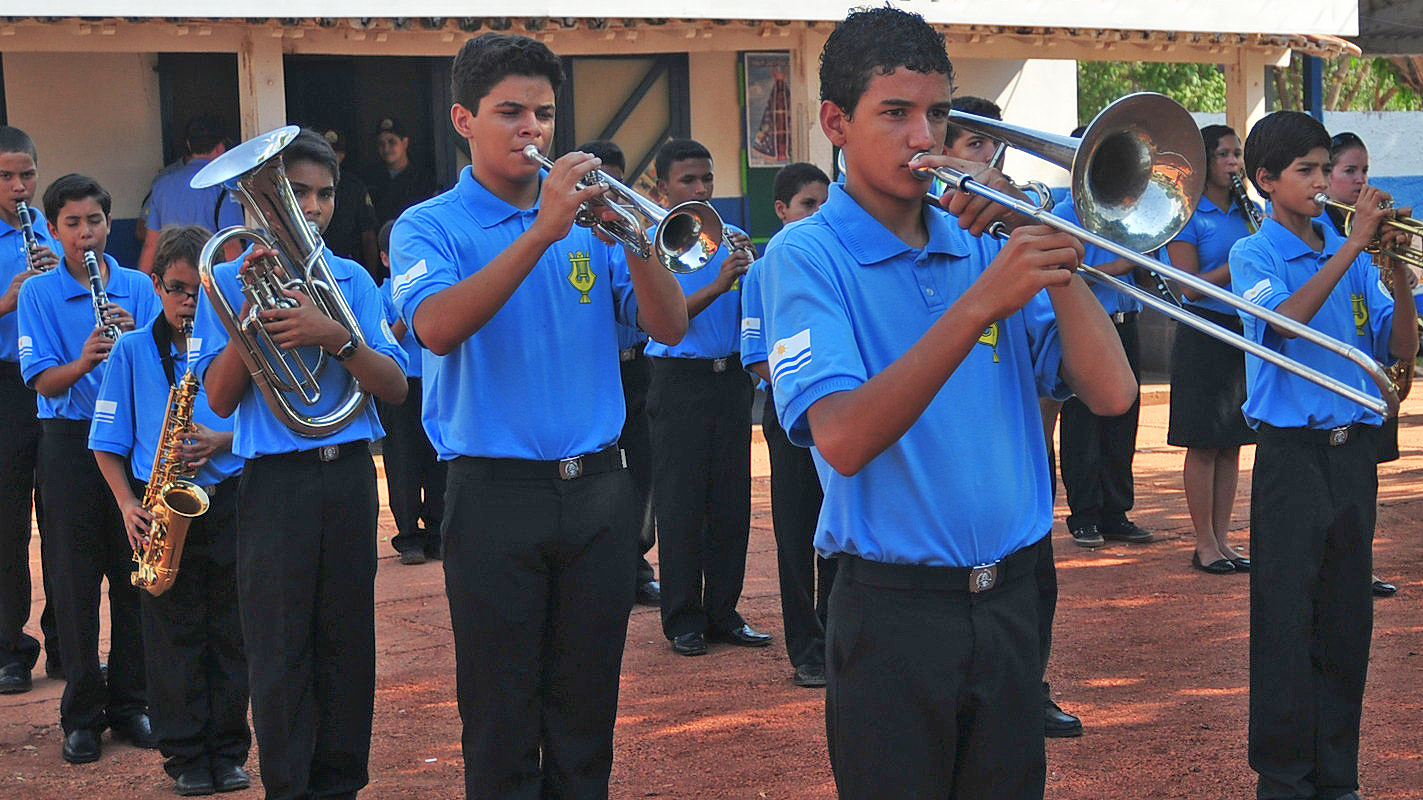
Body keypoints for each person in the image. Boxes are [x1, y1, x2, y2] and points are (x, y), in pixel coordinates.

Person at [759, 7, 1136, 797]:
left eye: (936, 114)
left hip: (1012, 600)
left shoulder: (984, 241)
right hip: (891, 609)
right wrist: (975, 307)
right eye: (894, 114)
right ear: (836, 122)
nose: (921, 137)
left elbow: (1112, 393)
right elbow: (844, 438)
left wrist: (1051, 257)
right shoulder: (805, 255)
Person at [390, 32, 687, 798]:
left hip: (598, 491)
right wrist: (542, 232)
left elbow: (669, 327)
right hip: (493, 494)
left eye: (544, 114)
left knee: (586, 713)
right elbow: (437, 329)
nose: (532, 131)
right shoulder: (427, 225)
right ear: (463, 119)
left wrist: (640, 238)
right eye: (510, 113)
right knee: (500, 715)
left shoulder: (589, 222)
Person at [193, 128, 408, 800]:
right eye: (295, 192)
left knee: (346, 643)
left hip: (345, 476)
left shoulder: (350, 279)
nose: (310, 206)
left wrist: (334, 336)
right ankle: (288, 786)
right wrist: (248, 320)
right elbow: (220, 400)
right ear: (263, 202)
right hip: (275, 485)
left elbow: (396, 386)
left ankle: (340, 784)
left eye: (321, 194)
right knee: (279, 649)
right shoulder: (227, 279)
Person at [1231, 110, 1415, 800]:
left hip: (1350, 457)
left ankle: (1337, 774)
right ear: (1265, 181)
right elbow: (1282, 326)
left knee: (1345, 621)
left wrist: (1393, 273)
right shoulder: (1257, 253)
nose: (1318, 183)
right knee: (1284, 619)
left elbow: (1397, 353)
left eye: (1320, 168)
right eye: (1303, 171)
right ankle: (1283, 778)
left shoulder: (1351, 251)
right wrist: (1353, 245)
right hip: (1290, 457)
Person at [89, 224, 252, 796]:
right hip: (161, 507)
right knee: (171, 636)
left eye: (200, 292)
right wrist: (129, 504)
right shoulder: (134, 350)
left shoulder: (236, 342)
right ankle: (185, 756)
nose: (190, 303)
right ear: (156, 285)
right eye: (179, 289)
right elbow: (105, 441)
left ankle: (229, 751)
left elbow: (263, 426)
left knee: (233, 632)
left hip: (227, 499)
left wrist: (221, 442)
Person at [19, 173, 163, 763]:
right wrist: (84, 360)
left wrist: (139, 345)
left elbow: (171, 363)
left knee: (137, 579)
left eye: (96, 221)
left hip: (129, 444)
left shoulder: (137, 286)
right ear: (54, 230)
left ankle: (133, 703)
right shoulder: (38, 293)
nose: (86, 234)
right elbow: (42, 380)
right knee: (73, 583)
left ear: (111, 224)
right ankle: (81, 714)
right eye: (73, 224)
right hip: (69, 443)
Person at [645, 138, 767, 657]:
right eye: (688, 180)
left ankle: (723, 610)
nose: (700, 188)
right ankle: (682, 618)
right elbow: (667, 321)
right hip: (680, 380)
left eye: (706, 179)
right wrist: (720, 284)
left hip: (730, 380)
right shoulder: (651, 244)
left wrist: (752, 274)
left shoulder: (732, 237)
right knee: (681, 501)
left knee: (730, 501)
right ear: (662, 186)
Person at [740, 161, 831, 686]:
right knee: (797, 529)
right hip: (793, 408)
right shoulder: (764, 268)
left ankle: (841, 634)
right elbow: (756, 357)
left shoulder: (835, 261)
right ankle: (807, 648)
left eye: (824, 203)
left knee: (842, 523)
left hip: (845, 409)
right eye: (806, 204)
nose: (816, 214)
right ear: (781, 210)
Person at [1165, 124, 1258, 575]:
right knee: (1203, 443)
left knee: (1232, 443)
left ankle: (1224, 540)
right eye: (1224, 154)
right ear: (1204, 162)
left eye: (1237, 154)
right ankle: (1203, 543)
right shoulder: (1188, 214)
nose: (1234, 163)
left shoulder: (1248, 211)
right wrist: (1234, 263)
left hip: (1242, 334)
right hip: (1203, 332)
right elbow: (1187, 288)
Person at [576, 138, 661, 605]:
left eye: (612, 178)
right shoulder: (576, 232)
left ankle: (635, 564)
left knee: (641, 474)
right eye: (594, 179)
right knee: (604, 476)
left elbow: (659, 316)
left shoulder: (627, 230)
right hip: (596, 371)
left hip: (637, 370)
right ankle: (606, 569)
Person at [1321, 130, 1401, 597]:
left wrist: (1393, 265)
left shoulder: (1363, 237)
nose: (1361, 181)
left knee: (1359, 497)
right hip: (1328, 395)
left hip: (1366, 388)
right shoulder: (1332, 235)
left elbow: (1395, 333)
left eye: (1365, 171)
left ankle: (1357, 566)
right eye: (1350, 171)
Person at [0, 125, 62, 694]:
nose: (20, 187)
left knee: (65, 514)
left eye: (27, 175)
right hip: (4, 384)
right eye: (7, 176)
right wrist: (8, 300)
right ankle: (10, 647)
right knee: (8, 519)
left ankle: (66, 638)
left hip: (54, 377)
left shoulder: (46, 227)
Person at [376, 220, 445, 565]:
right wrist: (407, 309)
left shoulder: (429, 283)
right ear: (386, 259)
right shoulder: (380, 293)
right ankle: (408, 537)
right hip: (399, 385)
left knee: (437, 459)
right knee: (402, 461)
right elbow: (384, 339)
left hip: (433, 381)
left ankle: (437, 531)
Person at [138, 115, 244, 272]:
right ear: (221, 147)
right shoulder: (224, 185)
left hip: (173, 278)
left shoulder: (162, 185)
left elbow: (150, 245)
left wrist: (142, 289)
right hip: (210, 278)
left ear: (188, 144)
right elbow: (230, 245)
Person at [321, 128, 381, 280]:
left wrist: (372, 277)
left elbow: (368, 237)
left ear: (342, 155)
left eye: (336, 153)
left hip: (348, 268)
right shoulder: (304, 184)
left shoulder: (355, 187)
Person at [366, 117, 436, 226]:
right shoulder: (370, 178)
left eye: (392, 142)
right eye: (381, 144)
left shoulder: (422, 179)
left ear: (404, 143)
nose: (386, 149)